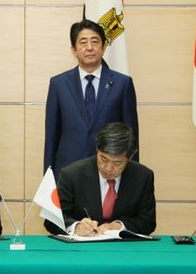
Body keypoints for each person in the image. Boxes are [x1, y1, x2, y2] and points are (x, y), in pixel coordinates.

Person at [44, 19, 139, 179]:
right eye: (83, 42)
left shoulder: (122, 84)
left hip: (109, 170)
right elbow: (51, 138)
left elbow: (131, 136)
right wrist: (48, 180)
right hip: (68, 171)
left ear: (104, 47)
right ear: (74, 50)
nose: (89, 47)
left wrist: (132, 178)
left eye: (95, 41)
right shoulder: (58, 84)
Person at [45, 122, 155, 236]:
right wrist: (76, 226)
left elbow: (148, 223)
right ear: (97, 149)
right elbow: (51, 221)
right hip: (82, 249)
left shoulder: (143, 177)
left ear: (131, 156)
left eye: (117, 163)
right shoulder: (72, 174)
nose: (108, 168)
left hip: (123, 250)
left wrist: (119, 226)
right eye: (104, 159)